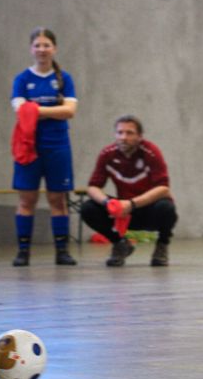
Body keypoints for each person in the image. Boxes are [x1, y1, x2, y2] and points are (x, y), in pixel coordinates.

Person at [10, 27, 78, 267]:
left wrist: (35, 110)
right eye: (37, 45)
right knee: (26, 200)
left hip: (57, 147)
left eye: (46, 45)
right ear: (31, 49)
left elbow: (70, 111)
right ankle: (23, 251)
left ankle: (62, 251)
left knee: (57, 200)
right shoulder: (22, 80)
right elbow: (21, 112)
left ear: (54, 48)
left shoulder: (64, 79)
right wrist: (53, 110)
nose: (42, 49)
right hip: (29, 147)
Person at [80, 115, 177, 267]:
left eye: (129, 133)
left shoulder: (151, 152)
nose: (123, 137)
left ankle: (162, 246)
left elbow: (163, 188)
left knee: (167, 207)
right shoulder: (107, 154)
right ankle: (120, 244)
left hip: (147, 209)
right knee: (87, 208)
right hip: (123, 212)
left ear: (139, 136)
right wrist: (108, 202)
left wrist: (132, 204)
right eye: (120, 132)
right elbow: (93, 187)